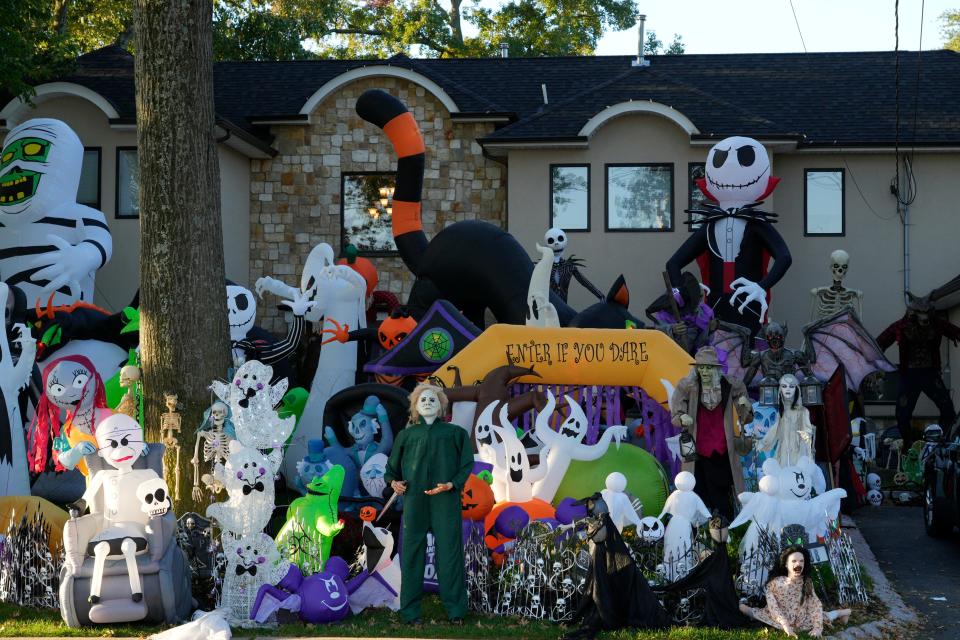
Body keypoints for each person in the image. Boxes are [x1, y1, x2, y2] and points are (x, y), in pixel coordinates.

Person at [384, 383, 473, 625]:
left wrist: (452, 484)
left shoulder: (456, 434)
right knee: (412, 555)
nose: (427, 402)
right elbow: (391, 469)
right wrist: (394, 483)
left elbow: (467, 464)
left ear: (442, 405)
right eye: (422, 399)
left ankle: (456, 611)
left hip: (445, 500)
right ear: (415, 406)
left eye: (432, 399)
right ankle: (410, 612)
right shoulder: (406, 436)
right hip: (415, 502)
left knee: (449, 554)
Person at [671, 346, 753, 522]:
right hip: (697, 452)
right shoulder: (689, 386)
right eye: (701, 367)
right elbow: (677, 409)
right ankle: (702, 535)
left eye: (708, 367)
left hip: (723, 450)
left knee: (722, 500)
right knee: (698, 494)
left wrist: (745, 405)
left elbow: (745, 416)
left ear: (716, 368)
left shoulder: (730, 385)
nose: (705, 371)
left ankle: (725, 532)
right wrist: (681, 416)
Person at [740, 545, 851, 638]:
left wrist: (817, 628)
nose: (798, 564)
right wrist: (785, 624)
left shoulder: (806, 582)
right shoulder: (775, 583)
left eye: (801, 561)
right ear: (786, 564)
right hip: (779, 615)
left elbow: (814, 604)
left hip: (801, 618)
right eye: (794, 561)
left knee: (821, 616)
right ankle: (741, 607)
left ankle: (844, 612)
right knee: (749, 610)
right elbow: (773, 607)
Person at [757, 374, 815, 467]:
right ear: (780, 390)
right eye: (784, 386)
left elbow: (807, 433)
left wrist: (804, 445)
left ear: (796, 389)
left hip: (799, 451)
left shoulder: (803, 411)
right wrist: (763, 443)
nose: (788, 389)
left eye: (791, 386)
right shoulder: (780, 412)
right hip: (783, 451)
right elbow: (775, 431)